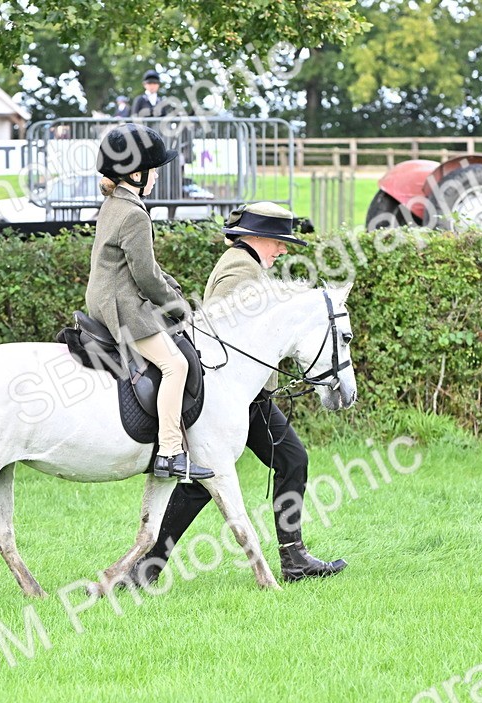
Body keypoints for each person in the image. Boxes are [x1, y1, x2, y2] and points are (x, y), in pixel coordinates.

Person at [129, 203, 347, 586]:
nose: (283, 250)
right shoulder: (239, 269)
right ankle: (292, 558)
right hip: (237, 397)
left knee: (209, 480)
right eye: (279, 242)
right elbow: (220, 331)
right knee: (287, 461)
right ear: (256, 237)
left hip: (246, 395)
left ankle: (147, 568)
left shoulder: (247, 264)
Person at [87, 123, 213, 481]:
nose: (157, 176)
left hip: (105, 298)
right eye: (154, 169)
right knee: (176, 365)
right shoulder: (135, 214)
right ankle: (171, 452)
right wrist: (179, 308)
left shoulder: (115, 203)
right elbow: (144, 277)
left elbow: (149, 268)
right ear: (136, 172)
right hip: (122, 307)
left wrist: (175, 291)